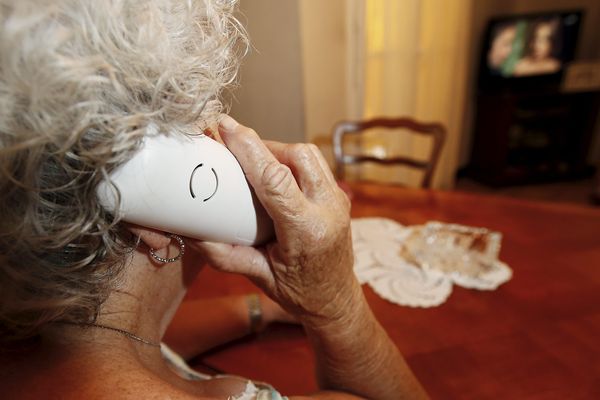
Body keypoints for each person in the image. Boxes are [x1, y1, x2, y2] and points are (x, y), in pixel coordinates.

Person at [0, 1, 427, 399]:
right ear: (157, 207)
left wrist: (260, 311)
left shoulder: (36, 331)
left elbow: (136, 339)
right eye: (211, 128)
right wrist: (335, 305)